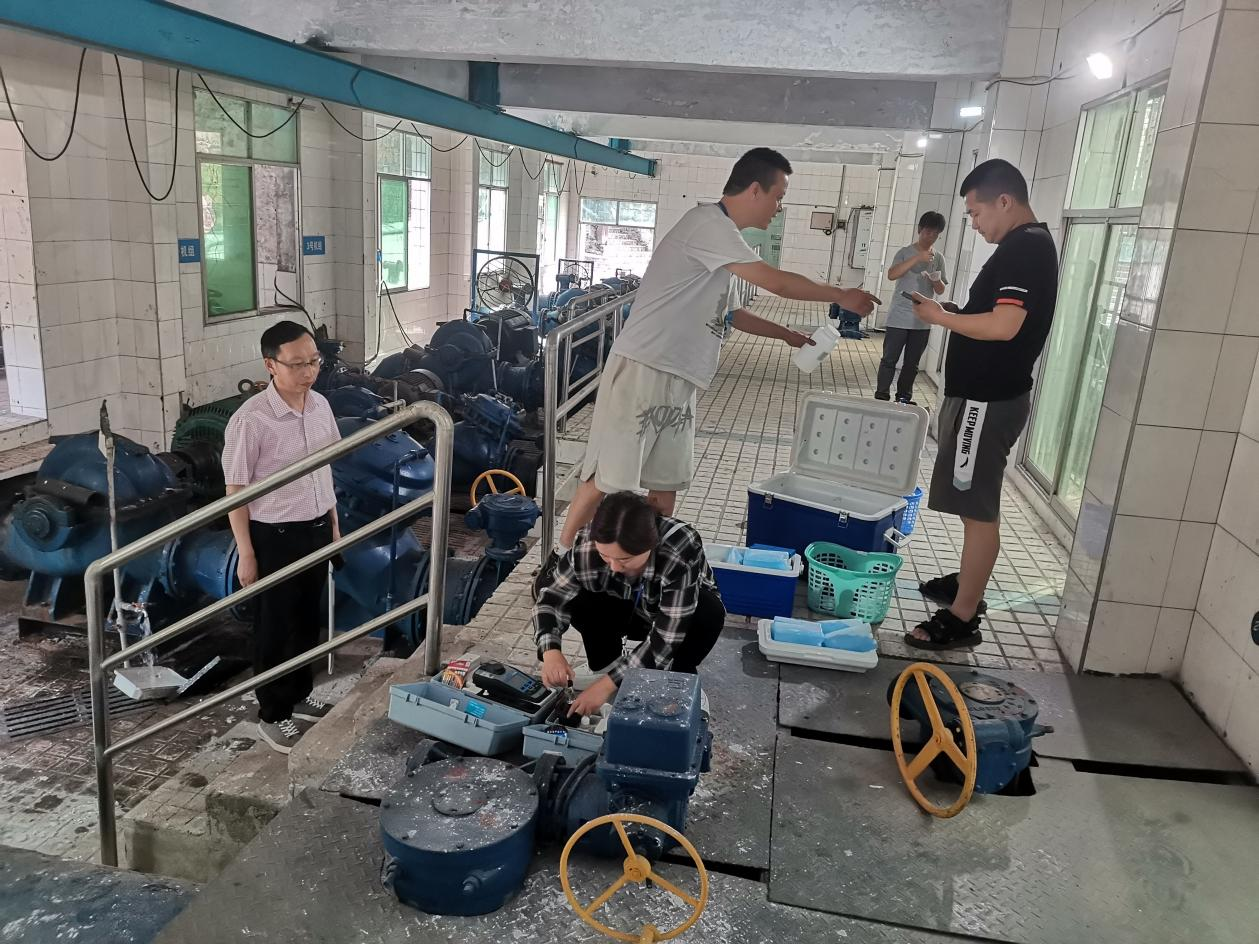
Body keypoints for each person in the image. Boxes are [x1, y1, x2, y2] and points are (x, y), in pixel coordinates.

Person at [534, 147, 881, 596]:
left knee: (664, 486)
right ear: (754, 190)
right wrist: (840, 294)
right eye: (778, 197)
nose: (779, 208)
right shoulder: (706, 225)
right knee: (606, 479)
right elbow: (776, 282)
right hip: (644, 368)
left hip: (681, 379)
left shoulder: (726, 241)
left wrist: (788, 335)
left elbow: (731, 313)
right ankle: (560, 562)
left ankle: (649, 566)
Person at [907, 159, 1058, 650]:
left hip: (987, 402)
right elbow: (991, 315)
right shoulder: (1023, 246)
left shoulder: (1026, 248)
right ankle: (967, 582)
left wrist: (940, 319)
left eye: (975, 213)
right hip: (981, 397)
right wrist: (950, 311)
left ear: (1004, 202)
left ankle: (963, 614)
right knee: (969, 500)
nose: (973, 223)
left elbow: (1004, 326)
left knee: (977, 510)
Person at [222, 321, 342, 753]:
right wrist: (246, 552)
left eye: (314, 361)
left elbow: (325, 468)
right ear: (271, 365)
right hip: (274, 536)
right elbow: (235, 491)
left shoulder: (320, 405)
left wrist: (334, 525)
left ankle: (299, 692)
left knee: (307, 619)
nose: (308, 372)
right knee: (275, 626)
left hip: (316, 527)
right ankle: (272, 714)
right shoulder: (251, 420)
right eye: (297, 364)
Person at [534, 492, 725, 716]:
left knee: (707, 610)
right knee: (576, 593)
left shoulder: (679, 548)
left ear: (651, 545)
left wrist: (605, 687)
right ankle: (605, 666)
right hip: (627, 608)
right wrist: (550, 651)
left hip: (675, 619)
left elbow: (666, 637)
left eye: (624, 559)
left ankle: (679, 679)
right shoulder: (588, 544)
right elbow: (551, 597)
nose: (614, 567)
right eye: (605, 556)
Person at [876, 211, 949, 404]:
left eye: (935, 234)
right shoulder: (904, 252)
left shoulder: (938, 258)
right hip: (899, 316)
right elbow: (892, 275)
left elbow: (940, 289)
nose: (930, 237)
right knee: (889, 359)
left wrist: (936, 280)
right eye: (927, 232)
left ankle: (903, 397)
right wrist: (917, 258)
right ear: (919, 230)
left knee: (912, 363)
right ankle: (881, 394)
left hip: (923, 320)